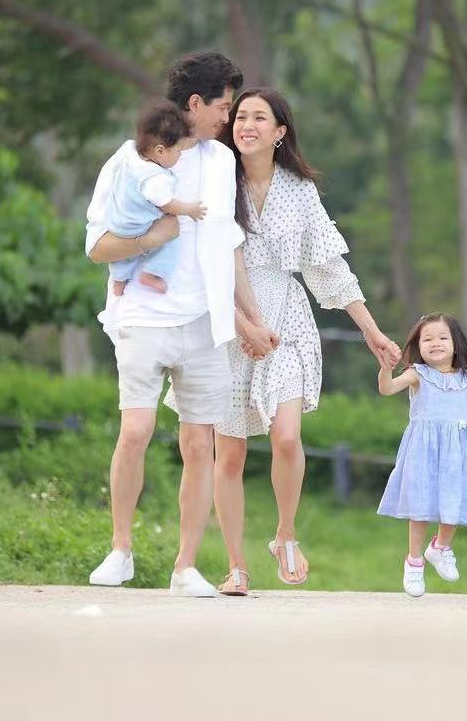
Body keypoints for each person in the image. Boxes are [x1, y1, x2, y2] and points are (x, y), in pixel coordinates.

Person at [170, 87, 400, 595]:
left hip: (287, 321)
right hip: (226, 320)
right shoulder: (216, 180)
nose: (246, 125)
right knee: (229, 454)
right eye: (240, 116)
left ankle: (285, 533)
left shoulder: (300, 190)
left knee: (288, 437)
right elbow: (198, 259)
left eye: (259, 118)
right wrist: (240, 321)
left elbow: (328, 268)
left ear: (280, 132)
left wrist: (371, 331)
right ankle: (236, 566)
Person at [85, 53, 277, 597]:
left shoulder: (220, 161)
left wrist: (251, 319)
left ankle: (185, 566)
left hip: (205, 326)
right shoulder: (129, 159)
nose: (228, 117)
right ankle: (120, 550)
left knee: (200, 443)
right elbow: (97, 246)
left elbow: (228, 245)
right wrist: (153, 238)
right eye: (223, 106)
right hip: (144, 317)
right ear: (195, 103)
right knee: (136, 430)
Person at [376, 313, 467, 597]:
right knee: (421, 506)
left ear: (455, 343)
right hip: (422, 451)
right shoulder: (417, 374)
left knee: (453, 500)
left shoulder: (466, 379)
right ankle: (414, 563)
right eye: (427, 339)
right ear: (418, 346)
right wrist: (385, 369)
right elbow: (387, 389)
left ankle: (440, 547)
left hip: (457, 451)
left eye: (442, 337)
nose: (435, 343)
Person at [107, 98, 207, 296]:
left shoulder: (132, 158)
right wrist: (190, 210)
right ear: (160, 150)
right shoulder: (155, 178)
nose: (180, 155)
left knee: (122, 259)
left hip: (117, 222)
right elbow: (167, 204)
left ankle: (118, 281)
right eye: (178, 150)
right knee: (172, 238)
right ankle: (152, 273)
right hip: (137, 226)